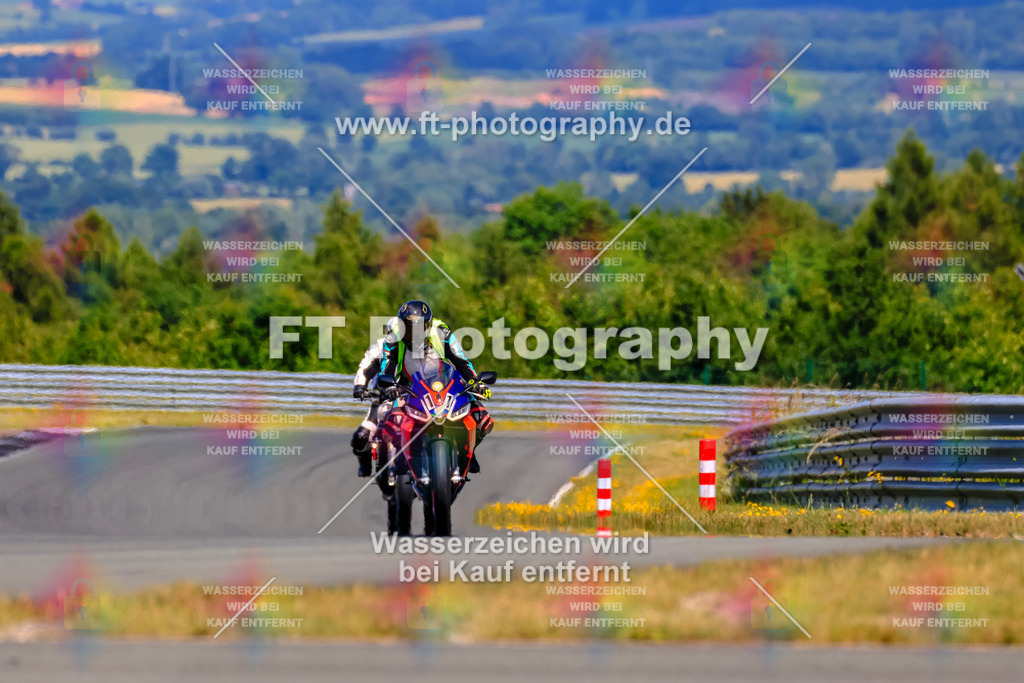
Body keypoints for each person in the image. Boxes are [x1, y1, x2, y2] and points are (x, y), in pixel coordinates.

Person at [378, 300, 493, 472]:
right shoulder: (392, 339)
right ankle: (404, 456)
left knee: (482, 419)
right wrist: (388, 387)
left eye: (419, 328)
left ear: (428, 325)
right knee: (392, 424)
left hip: (446, 383)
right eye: (409, 329)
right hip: (410, 387)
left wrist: (475, 382)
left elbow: (462, 361)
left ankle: (469, 452)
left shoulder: (443, 332)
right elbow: (386, 368)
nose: (415, 335)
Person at [350, 317, 398, 477]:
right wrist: (360, 386)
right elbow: (365, 368)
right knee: (361, 436)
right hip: (382, 402)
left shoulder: (420, 348)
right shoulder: (379, 347)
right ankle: (364, 460)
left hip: (410, 402)